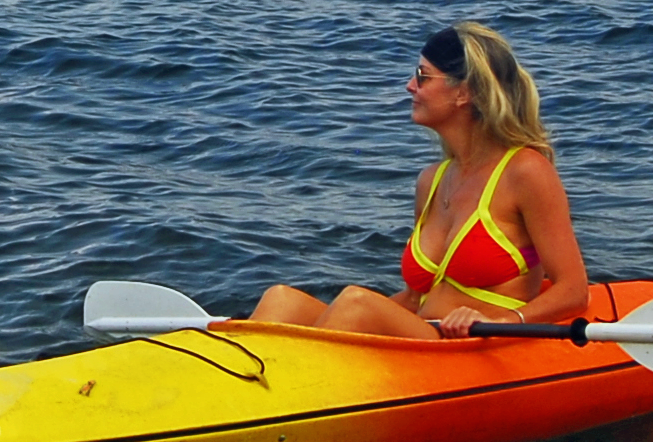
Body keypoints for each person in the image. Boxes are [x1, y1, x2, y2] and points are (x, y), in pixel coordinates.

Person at [249, 24, 591, 338]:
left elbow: (573, 291)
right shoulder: (432, 180)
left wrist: (506, 321)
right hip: (425, 340)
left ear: (464, 93)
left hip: (477, 346)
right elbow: (415, 299)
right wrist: (342, 321)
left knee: (357, 302)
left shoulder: (525, 171)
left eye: (422, 76)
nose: (410, 86)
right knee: (282, 301)